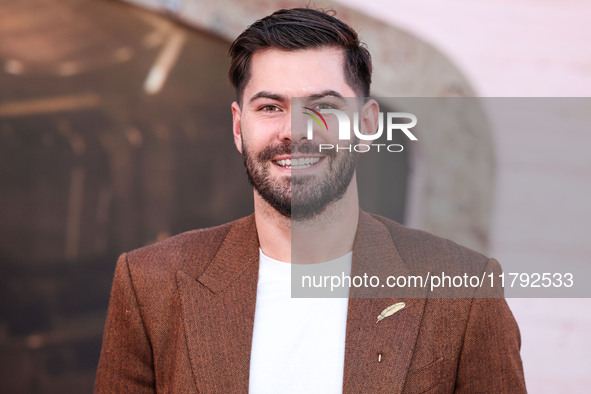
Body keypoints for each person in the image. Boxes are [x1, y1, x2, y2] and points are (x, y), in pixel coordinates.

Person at [95, 8, 526, 393]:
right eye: (269, 107)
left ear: (368, 124)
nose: (295, 131)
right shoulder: (150, 284)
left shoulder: (465, 290)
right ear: (237, 126)